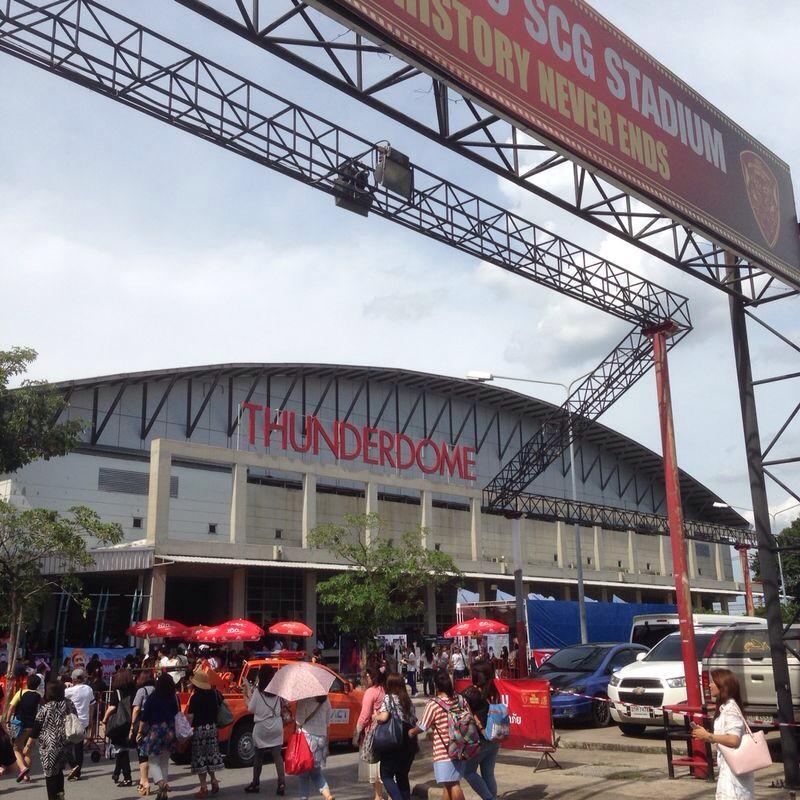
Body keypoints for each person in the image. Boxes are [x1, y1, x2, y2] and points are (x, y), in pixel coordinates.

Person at [691, 668, 756, 800]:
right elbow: (726, 735)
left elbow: (734, 740)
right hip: (727, 768)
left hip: (735, 773)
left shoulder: (731, 708)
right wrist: (706, 734)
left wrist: (708, 736)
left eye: (713, 682)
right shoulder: (724, 707)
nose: (709, 685)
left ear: (723, 685)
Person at [409, 672, 466, 800]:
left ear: (436, 686)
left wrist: (411, 732)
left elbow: (423, 726)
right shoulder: (460, 699)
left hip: (444, 750)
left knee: (453, 785)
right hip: (461, 747)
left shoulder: (434, 704)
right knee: (451, 783)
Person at [25, 682, 77, 800]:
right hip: (66, 744)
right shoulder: (69, 704)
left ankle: (53, 798)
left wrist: (28, 745)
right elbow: (75, 718)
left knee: (50, 774)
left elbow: (36, 728)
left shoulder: (46, 708)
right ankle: (60, 795)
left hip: (50, 746)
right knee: (58, 771)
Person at [374, 672, 418, 800]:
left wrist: (375, 716)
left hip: (394, 740)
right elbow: (414, 719)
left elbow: (384, 717)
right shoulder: (408, 700)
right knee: (402, 776)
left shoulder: (389, 698)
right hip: (409, 742)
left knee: (386, 775)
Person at [242, 664, 285, 795]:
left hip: (261, 727)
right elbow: (285, 704)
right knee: (277, 756)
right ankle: (282, 783)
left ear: (260, 676)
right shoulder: (278, 691)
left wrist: (246, 696)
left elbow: (251, 708)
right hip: (276, 725)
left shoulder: (257, 692)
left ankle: (255, 784)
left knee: (258, 757)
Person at [461, 663, 500, 800]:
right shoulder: (494, 691)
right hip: (494, 738)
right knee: (488, 774)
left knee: (468, 771)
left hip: (479, 739)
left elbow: (457, 706)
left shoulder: (470, 693)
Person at [140, 674, 180, 800]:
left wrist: (139, 731)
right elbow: (176, 713)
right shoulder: (173, 698)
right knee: (164, 761)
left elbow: (145, 716)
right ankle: (163, 793)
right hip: (169, 730)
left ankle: (161, 783)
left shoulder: (153, 697)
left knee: (153, 761)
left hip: (156, 731)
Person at [185, 668, 224, 798]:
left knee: (200, 758)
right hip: (212, 728)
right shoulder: (214, 694)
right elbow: (223, 705)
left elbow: (190, 717)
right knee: (211, 756)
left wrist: (186, 728)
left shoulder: (195, 698)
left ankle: (203, 787)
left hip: (200, 730)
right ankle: (213, 779)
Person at [354, 666, 386, 800]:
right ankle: (383, 796)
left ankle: (378, 797)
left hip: (372, 735)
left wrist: (357, 731)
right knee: (383, 770)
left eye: (366, 676)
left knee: (375, 770)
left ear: (371, 677)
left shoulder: (370, 692)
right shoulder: (384, 690)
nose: (365, 679)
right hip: (385, 733)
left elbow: (365, 715)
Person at [295, 693, 334, 800]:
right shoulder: (326, 700)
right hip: (321, 738)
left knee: (304, 776)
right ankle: (328, 796)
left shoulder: (304, 699)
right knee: (317, 774)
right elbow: (328, 723)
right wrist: (327, 742)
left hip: (306, 740)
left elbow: (299, 721)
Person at [102, 668, 136, 787]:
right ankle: (116, 773)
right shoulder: (134, 689)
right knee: (121, 748)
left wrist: (104, 719)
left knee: (121, 750)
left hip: (120, 722)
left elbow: (112, 707)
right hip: (131, 720)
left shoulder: (117, 691)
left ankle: (127, 777)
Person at [5, 673, 41, 782]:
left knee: (16, 749)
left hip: (20, 725)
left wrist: (7, 720)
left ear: (27, 682)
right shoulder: (38, 695)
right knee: (28, 751)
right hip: (33, 727)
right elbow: (44, 705)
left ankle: (23, 768)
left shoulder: (20, 693)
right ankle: (26, 775)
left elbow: (11, 707)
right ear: (37, 685)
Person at [64, 668, 94, 781]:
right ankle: (78, 771)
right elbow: (92, 705)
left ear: (73, 679)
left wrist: (66, 686)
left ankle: (73, 766)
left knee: (66, 746)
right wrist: (91, 720)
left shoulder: (69, 691)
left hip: (71, 722)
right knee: (79, 748)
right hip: (84, 721)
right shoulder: (89, 689)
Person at [130, 669, 156, 796]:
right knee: (156, 755)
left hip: (143, 725)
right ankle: (145, 781)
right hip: (156, 725)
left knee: (142, 753)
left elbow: (136, 709)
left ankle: (145, 782)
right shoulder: (157, 690)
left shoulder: (142, 691)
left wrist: (132, 726)